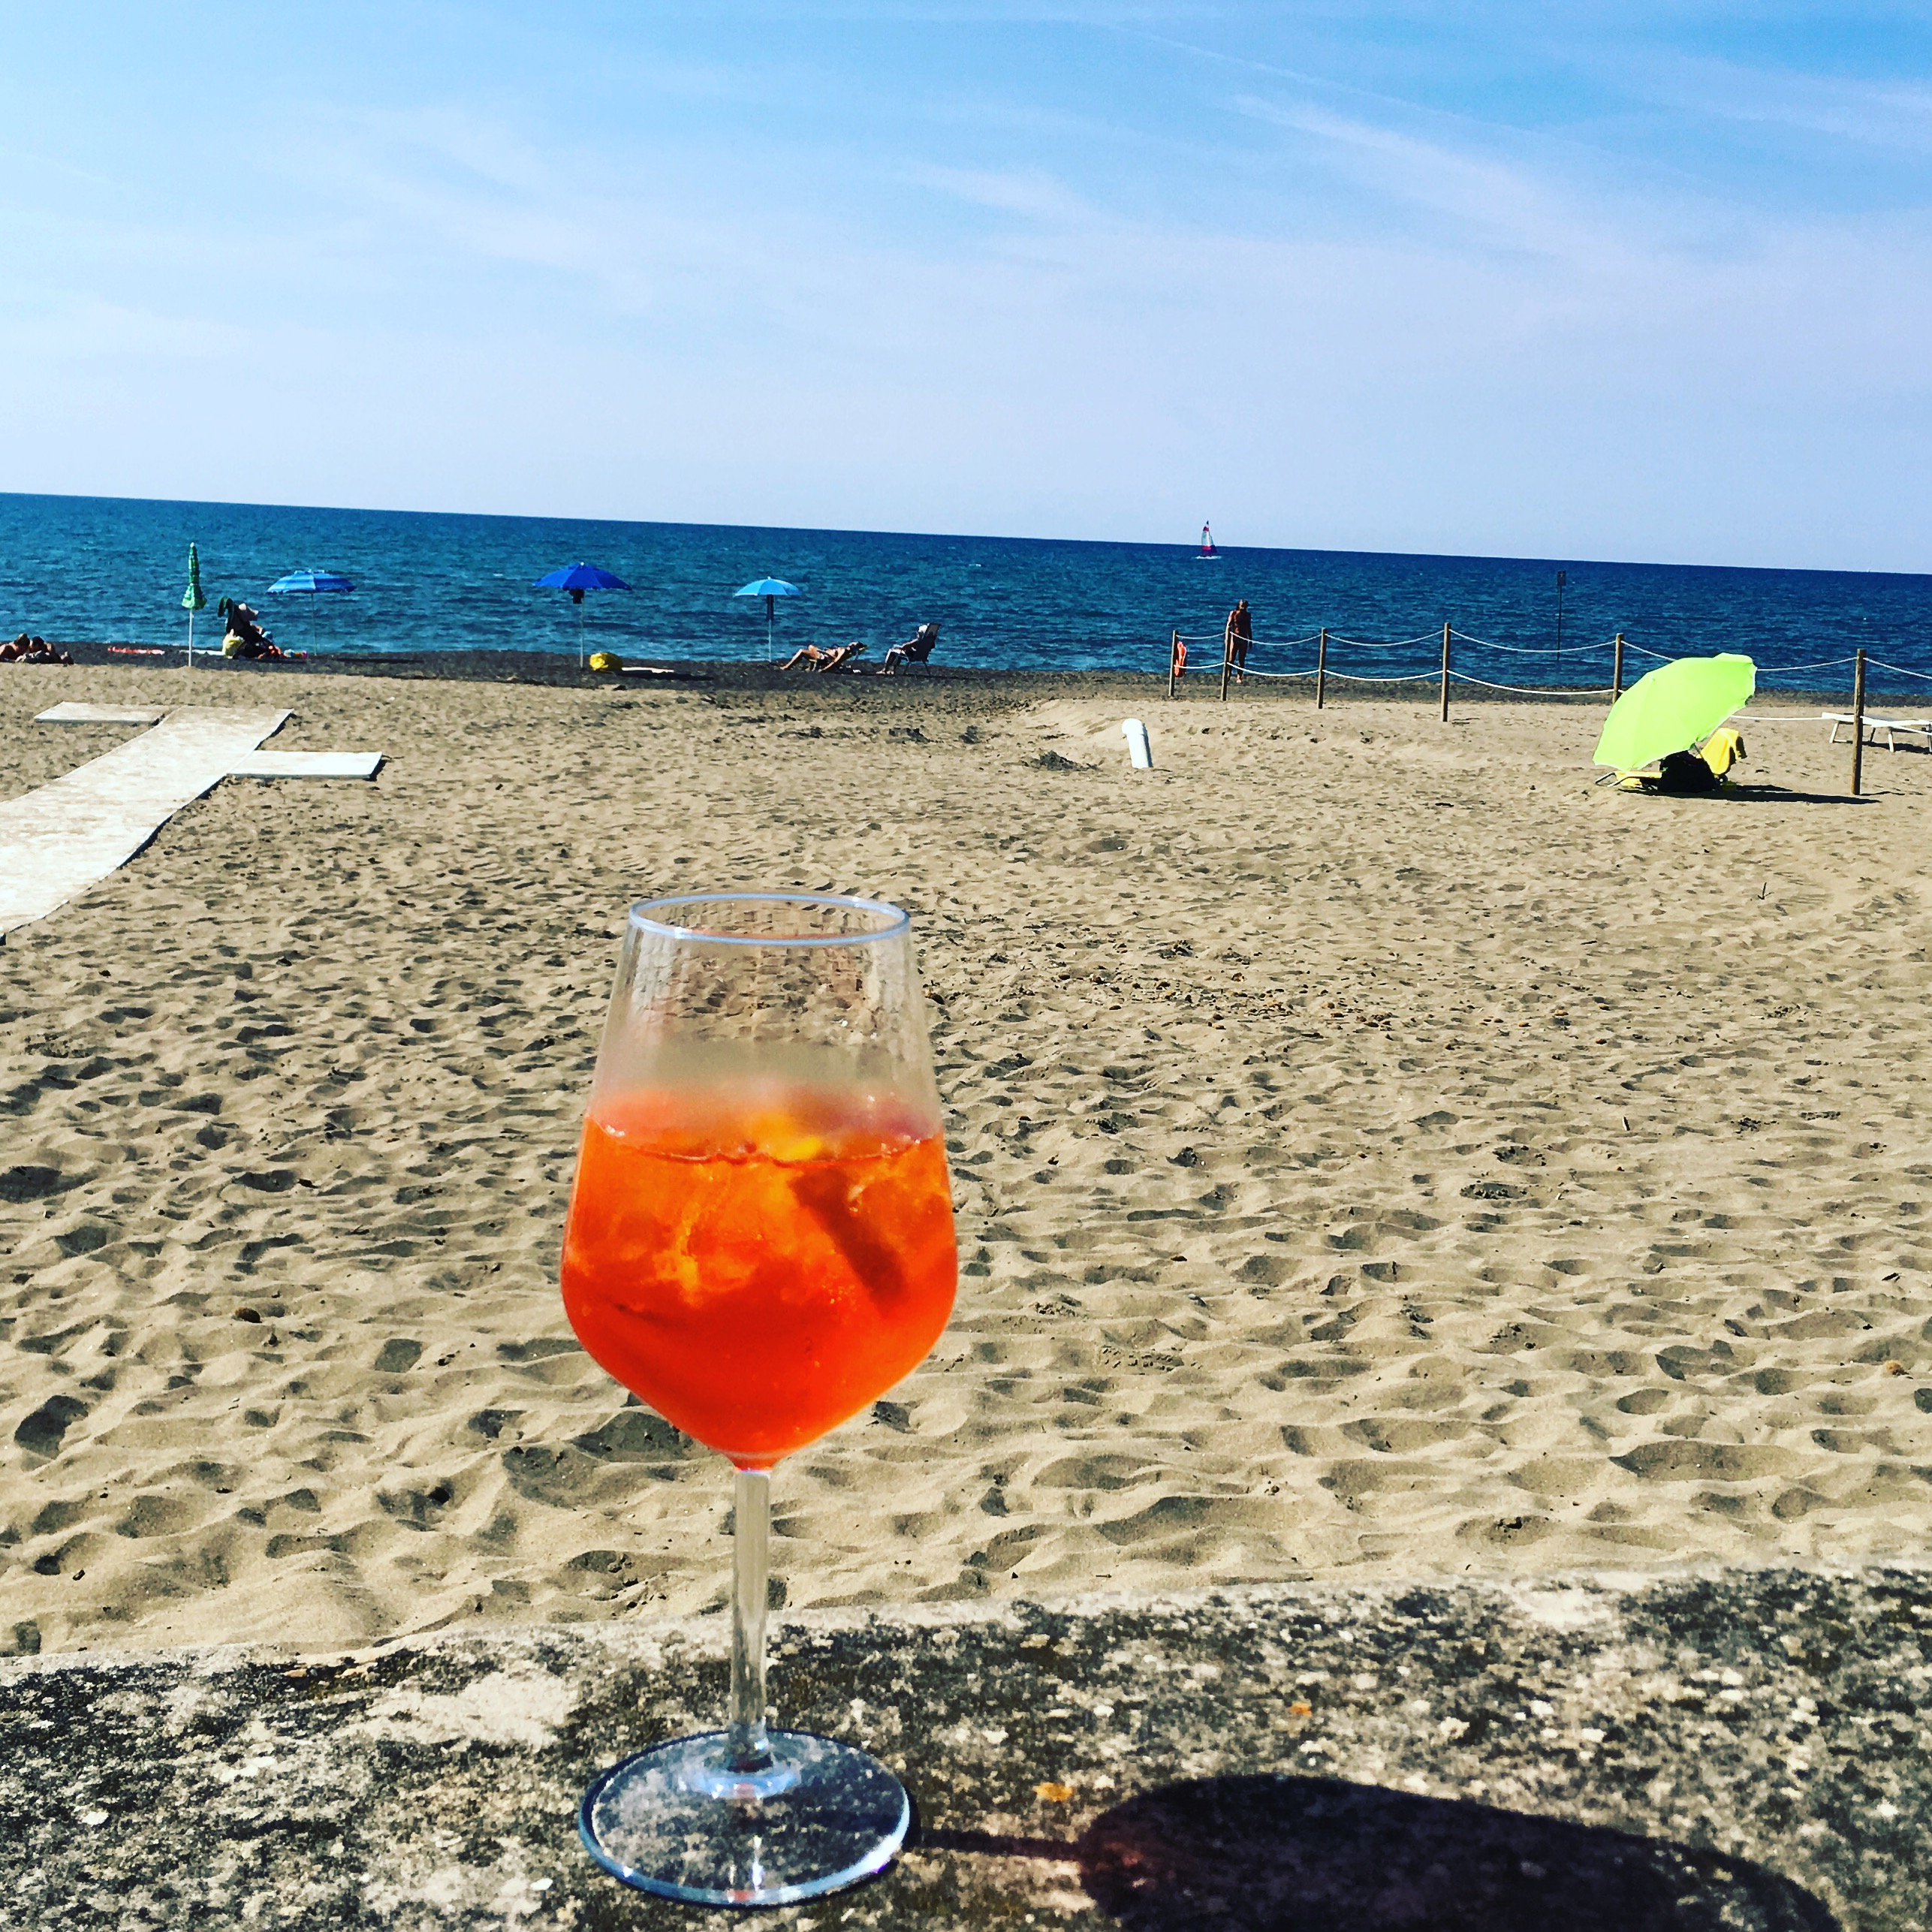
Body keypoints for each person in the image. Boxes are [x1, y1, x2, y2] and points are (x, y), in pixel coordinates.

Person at [1224, 599, 1252, 685]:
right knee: (1231, 658)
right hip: (1234, 638)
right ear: (1239, 605)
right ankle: (1229, 674)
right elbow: (1229, 626)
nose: (1243, 608)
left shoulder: (1248, 615)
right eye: (1242, 605)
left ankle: (1239, 676)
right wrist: (1227, 639)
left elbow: (1249, 627)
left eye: (1245, 606)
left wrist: (1250, 640)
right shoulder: (1234, 614)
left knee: (1241, 659)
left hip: (1244, 639)